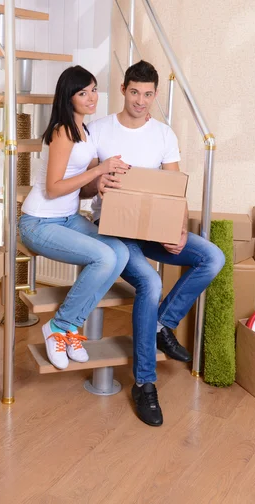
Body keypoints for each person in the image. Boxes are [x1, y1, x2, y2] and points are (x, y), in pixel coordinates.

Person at [83, 60, 225, 426]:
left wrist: (179, 229)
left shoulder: (164, 134)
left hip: (153, 228)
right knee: (151, 282)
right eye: (135, 92)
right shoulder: (98, 130)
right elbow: (82, 187)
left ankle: (163, 324)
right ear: (123, 89)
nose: (141, 101)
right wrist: (97, 181)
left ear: (155, 94)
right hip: (113, 228)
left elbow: (176, 190)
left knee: (211, 256)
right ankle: (145, 384)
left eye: (148, 94)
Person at [19, 65, 130, 370]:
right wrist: (97, 170)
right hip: (39, 222)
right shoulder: (62, 132)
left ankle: (68, 328)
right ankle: (58, 326)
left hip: (68, 218)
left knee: (119, 252)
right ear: (69, 98)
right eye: (83, 92)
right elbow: (54, 189)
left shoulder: (87, 132)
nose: (91, 97)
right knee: (104, 258)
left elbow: (81, 191)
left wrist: (103, 181)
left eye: (93, 89)